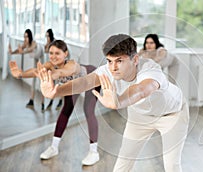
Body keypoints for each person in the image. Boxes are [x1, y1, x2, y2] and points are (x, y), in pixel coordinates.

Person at [38, 34, 189, 172]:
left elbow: (141, 90)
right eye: (110, 61)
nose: (113, 67)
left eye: (119, 61)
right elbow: (84, 82)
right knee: (121, 165)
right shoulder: (108, 70)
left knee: (171, 165)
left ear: (135, 60)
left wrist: (118, 101)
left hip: (172, 116)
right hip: (140, 117)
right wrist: (56, 91)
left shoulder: (151, 70)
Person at [10, 40, 101, 165]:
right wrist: (20, 74)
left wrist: (50, 76)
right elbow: (37, 71)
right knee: (66, 110)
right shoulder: (50, 65)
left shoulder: (71, 65)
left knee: (88, 110)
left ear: (66, 54)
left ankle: (94, 152)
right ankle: (54, 147)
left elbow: (61, 73)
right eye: (51, 53)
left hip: (91, 77)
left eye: (57, 53)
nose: (53, 56)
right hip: (74, 85)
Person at [8, 29, 45, 111]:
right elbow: (19, 50)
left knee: (42, 81)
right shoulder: (25, 44)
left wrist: (23, 51)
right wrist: (12, 52)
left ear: (30, 37)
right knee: (34, 80)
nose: (25, 38)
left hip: (41, 59)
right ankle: (31, 101)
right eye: (24, 37)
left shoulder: (34, 43)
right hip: (36, 58)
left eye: (27, 36)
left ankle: (43, 103)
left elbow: (30, 49)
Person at [44, 29, 63, 111]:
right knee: (53, 84)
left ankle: (60, 101)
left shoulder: (55, 43)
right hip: (53, 66)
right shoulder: (49, 44)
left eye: (48, 36)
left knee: (60, 83)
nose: (47, 37)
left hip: (59, 65)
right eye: (46, 36)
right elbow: (45, 52)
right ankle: (51, 102)